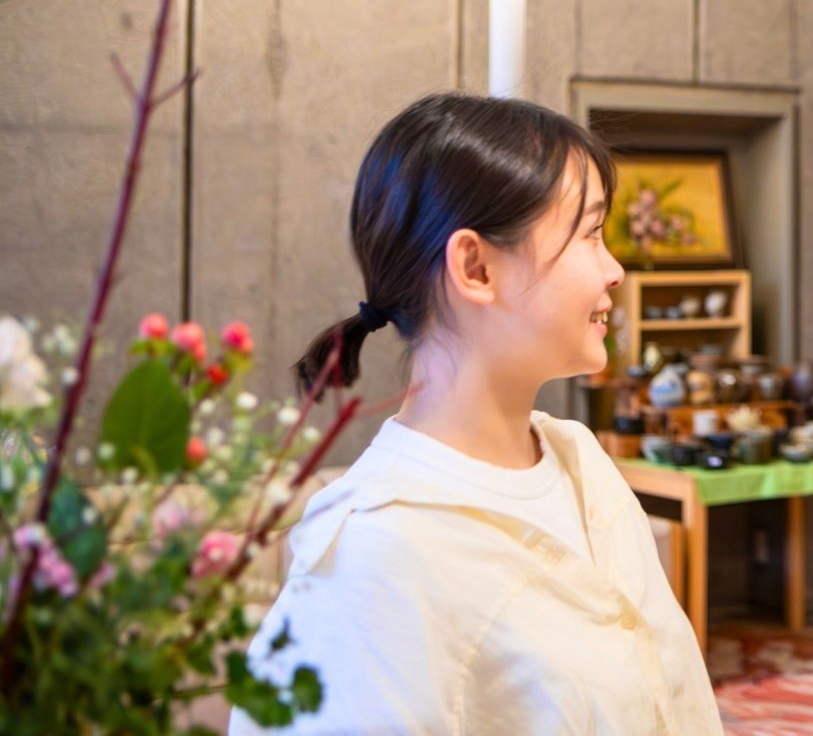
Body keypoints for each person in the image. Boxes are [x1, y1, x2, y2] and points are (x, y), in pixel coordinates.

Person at [231, 93, 721, 733]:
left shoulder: (583, 463)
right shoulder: (372, 553)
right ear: (475, 266)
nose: (614, 270)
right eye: (589, 234)